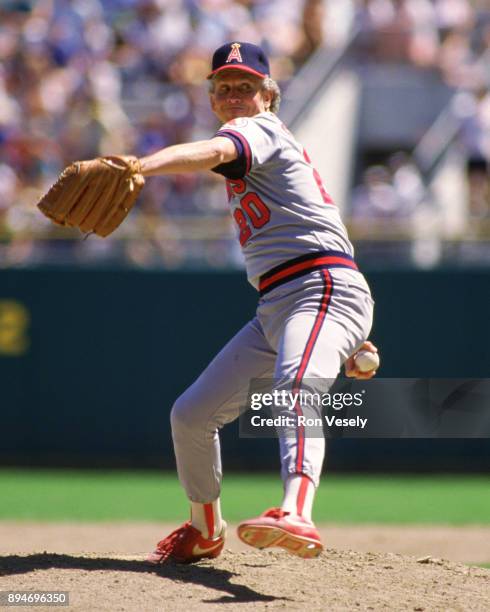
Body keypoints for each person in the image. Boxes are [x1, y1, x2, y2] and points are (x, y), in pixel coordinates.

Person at [139, 42, 378, 564]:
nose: (232, 95)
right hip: (285, 302)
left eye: (244, 86)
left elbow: (214, 153)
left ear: (268, 94)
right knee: (191, 415)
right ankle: (205, 528)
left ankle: (297, 512)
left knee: (296, 387)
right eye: (222, 87)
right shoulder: (261, 138)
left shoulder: (258, 128)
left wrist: (140, 166)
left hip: (319, 287)